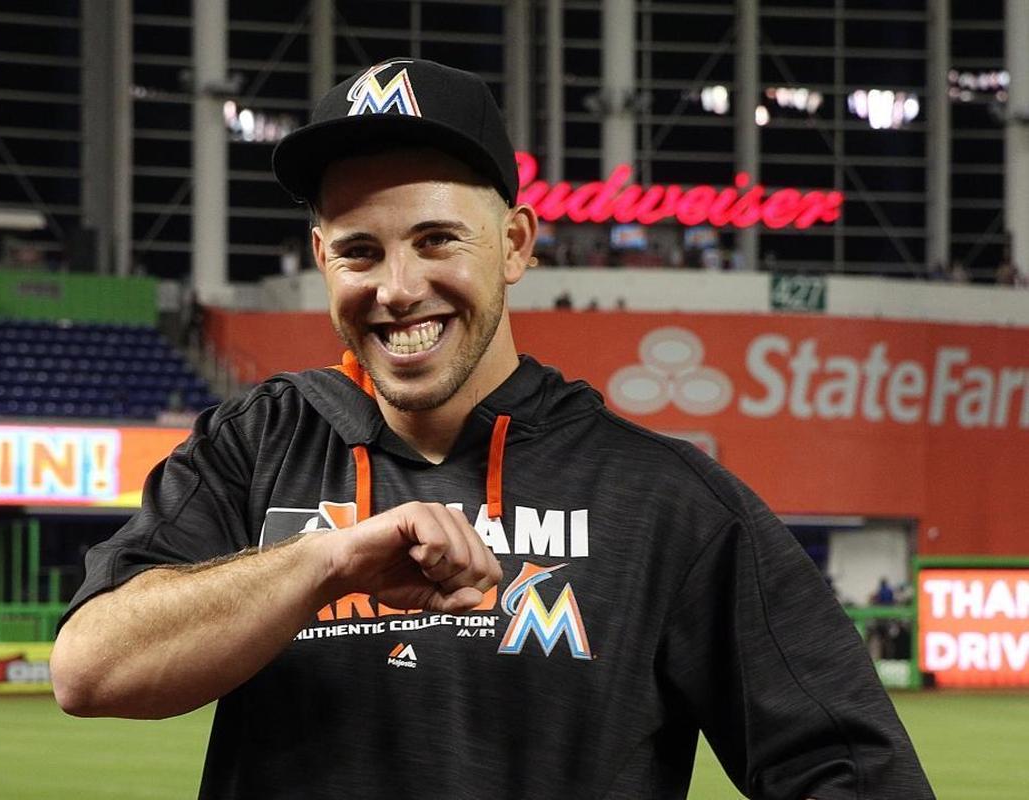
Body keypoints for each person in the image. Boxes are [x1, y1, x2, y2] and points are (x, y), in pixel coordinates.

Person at [51, 58, 932, 799]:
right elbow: (88, 671)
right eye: (360, 250)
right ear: (322, 258)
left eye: (438, 240)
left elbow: (854, 770)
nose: (397, 289)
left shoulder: (666, 500)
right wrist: (328, 561)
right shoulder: (255, 446)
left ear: (514, 243)